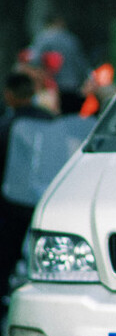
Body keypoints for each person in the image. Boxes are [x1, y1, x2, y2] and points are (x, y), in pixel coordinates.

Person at [0, 71, 53, 311]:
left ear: (9, 95)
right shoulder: (50, 122)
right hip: (44, 202)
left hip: (11, 206)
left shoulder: (6, 125)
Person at [21, 15, 89, 114]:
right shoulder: (71, 39)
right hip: (73, 87)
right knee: (71, 116)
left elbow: (34, 60)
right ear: (59, 22)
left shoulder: (43, 38)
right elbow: (81, 64)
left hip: (53, 88)